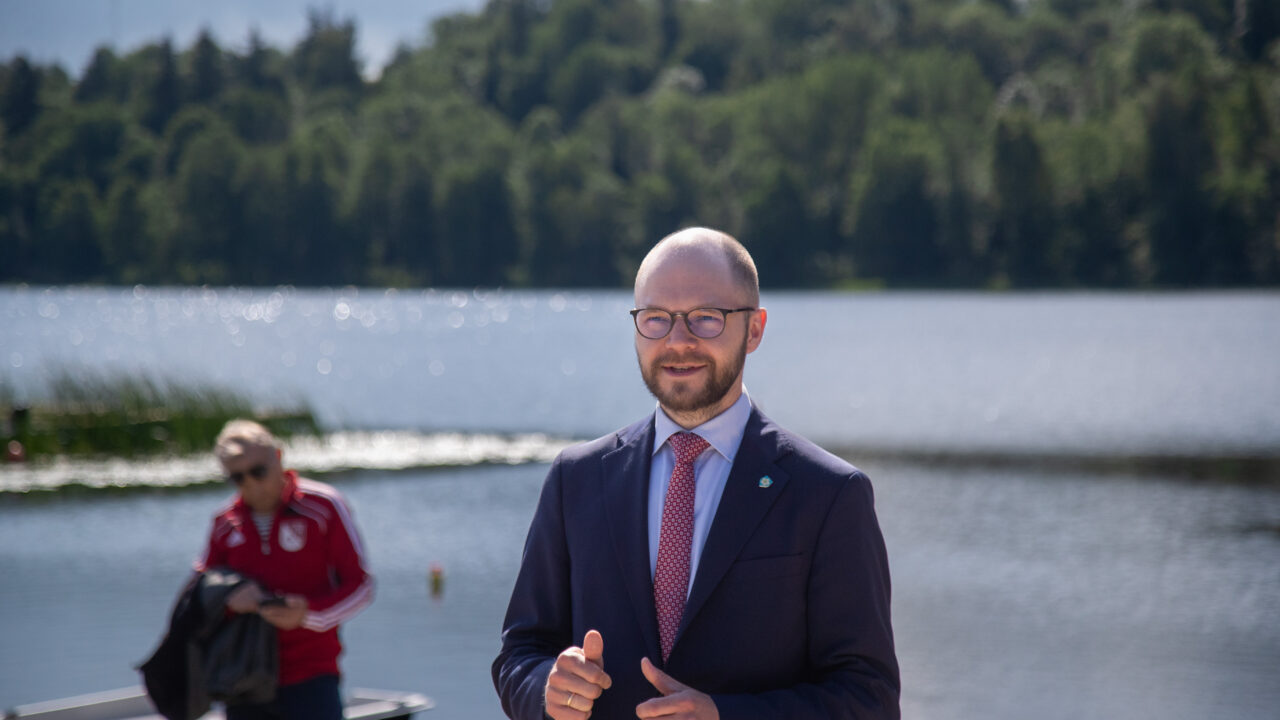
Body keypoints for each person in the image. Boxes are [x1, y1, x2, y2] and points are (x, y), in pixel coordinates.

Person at [493, 228, 899, 720]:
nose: (677, 342)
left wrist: (726, 716)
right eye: (656, 319)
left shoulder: (830, 495)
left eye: (706, 318)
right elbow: (521, 653)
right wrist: (547, 690)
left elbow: (868, 698)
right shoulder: (576, 480)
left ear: (754, 329)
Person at [197, 419, 375, 720]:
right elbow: (199, 590)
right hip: (243, 675)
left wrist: (309, 615)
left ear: (278, 457)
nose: (251, 483)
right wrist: (229, 598)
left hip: (311, 674)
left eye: (258, 471)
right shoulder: (224, 522)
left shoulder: (324, 506)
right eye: (238, 478)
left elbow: (362, 586)